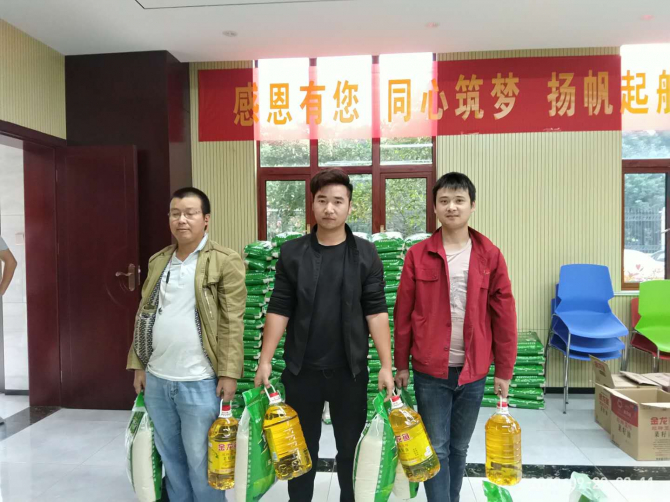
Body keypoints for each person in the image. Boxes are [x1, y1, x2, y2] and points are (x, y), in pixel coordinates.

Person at [254, 168, 395, 502]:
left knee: (350, 451)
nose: (329, 208)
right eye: (322, 201)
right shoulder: (292, 253)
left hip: (350, 372)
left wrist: (386, 365)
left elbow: (376, 311)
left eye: (337, 201)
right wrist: (265, 360)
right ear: (313, 204)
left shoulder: (366, 254)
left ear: (349, 206)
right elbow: (279, 308)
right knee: (301, 451)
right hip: (302, 371)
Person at [394, 172, 517, 502]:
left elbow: (505, 316)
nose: (452, 207)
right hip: (430, 370)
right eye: (444, 201)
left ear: (472, 205)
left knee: (459, 447)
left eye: (459, 200)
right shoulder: (418, 255)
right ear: (435, 207)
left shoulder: (490, 255)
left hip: (473, 370)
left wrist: (504, 370)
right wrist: (400, 363)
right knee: (437, 448)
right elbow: (403, 314)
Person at [127, 187, 246, 502]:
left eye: (190, 213)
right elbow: (144, 314)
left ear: (206, 219)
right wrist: (139, 364)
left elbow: (232, 321)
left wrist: (229, 373)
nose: (182, 220)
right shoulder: (159, 261)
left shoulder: (225, 261)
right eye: (175, 213)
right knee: (171, 458)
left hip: (199, 379)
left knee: (201, 461)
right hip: (158, 378)